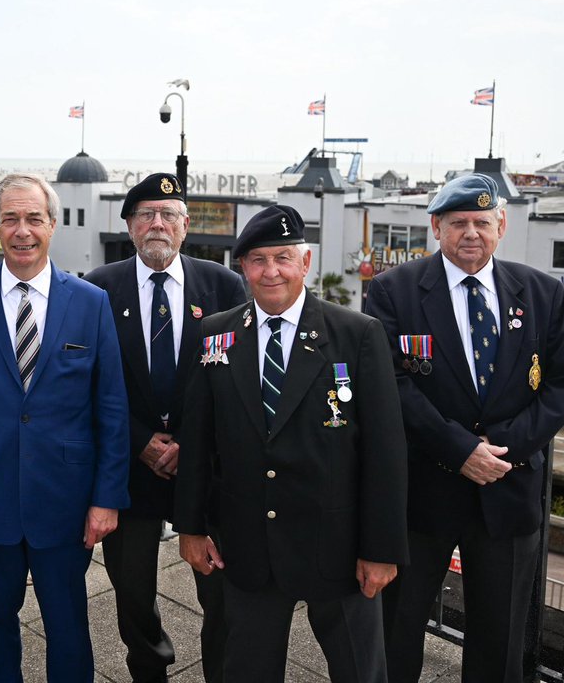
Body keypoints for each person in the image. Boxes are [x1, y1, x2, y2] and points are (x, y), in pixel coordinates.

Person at [364, 173, 564, 683]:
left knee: (501, 641)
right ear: (436, 228)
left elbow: (563, 386)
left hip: (507, 489)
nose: (471, 232)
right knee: (397, 631)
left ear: (501, 226)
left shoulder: (541, 293)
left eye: (482, 222)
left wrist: (502, 449)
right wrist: (460, 449)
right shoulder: (393, 291)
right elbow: (391, 385)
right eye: (458, 222)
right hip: (421, 493)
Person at [174, 204, 408, 683]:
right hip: (249, 547)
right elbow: (198, 441)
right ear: (242, 268)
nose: (271, 271)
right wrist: (191, 528)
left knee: (360, 671)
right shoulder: (216, 333)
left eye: (283, 257)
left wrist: (382, 548)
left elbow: (385, 453)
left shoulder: (357, 334)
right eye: (258, 260)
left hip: (338, 548)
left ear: (306, 262)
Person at [0, 173, 130, 683]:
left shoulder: (90, 302)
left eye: (34, 218)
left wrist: (107, 498)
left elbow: (110, 407)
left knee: (68, 622)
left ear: (53, 225)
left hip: (65, 496)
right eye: (11, 219)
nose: (23, 231)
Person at [84, 172, 246, 683]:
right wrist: (141, 443)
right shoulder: (97, 289)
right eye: (146, 215)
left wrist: (190, 443)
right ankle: (149, 669)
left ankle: (220, 671)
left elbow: (238, 379)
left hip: (207, 467)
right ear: (129, 226)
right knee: (132, 591)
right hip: (130, 466)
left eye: (168, 215)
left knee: (220, 589)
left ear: (185, 225)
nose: (158, 224)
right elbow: (85, 383)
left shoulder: (224, 285)